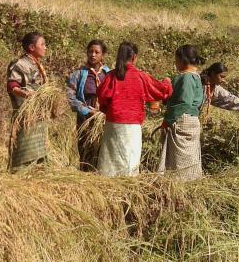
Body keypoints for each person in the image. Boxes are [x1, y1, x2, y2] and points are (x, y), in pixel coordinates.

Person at [97, 41, 172, 177]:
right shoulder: (140, 76)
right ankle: (127, 185)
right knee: (129, 160)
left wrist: (108, 110)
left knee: (110, 159)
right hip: (132, 124)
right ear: (134, 57)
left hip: (113, 122)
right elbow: (160, 90)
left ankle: (106, 185)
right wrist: (167, 82)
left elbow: (102, 96)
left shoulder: (111, 76)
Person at [158, 45, 205, 181]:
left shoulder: (187, 78)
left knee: (179, 160)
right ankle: (188, 183)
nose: (175, 63)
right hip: (191, 120)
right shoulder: (195, 77)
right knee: (188, 157)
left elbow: (184, 102)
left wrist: (168, 119)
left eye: (176, 60)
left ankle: (180, 184)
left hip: (182, 119)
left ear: (182, 60)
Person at [7, 31, 48, 171]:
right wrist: (27, 95)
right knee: (24, 150)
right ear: (32, 47)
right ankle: (21, 173)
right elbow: (12, 86)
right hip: (25, 115)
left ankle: (36, 172)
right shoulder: (21, 64)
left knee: (38, 150)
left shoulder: (37, 65)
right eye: (42, 44)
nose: (45, 47)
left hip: (38, 115)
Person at [67, 39, 110, 171]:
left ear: (102, 55)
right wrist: (87, 111)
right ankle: (85, 175)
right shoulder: (78, 74)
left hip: (104, 118)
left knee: (103, 147)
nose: (93, 55)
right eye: (90, 51)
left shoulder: (109, 74)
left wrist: (104, 113)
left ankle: (101, 174)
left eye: (97, 52)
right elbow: (71, 97)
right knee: (85, 146)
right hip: (85, 119)